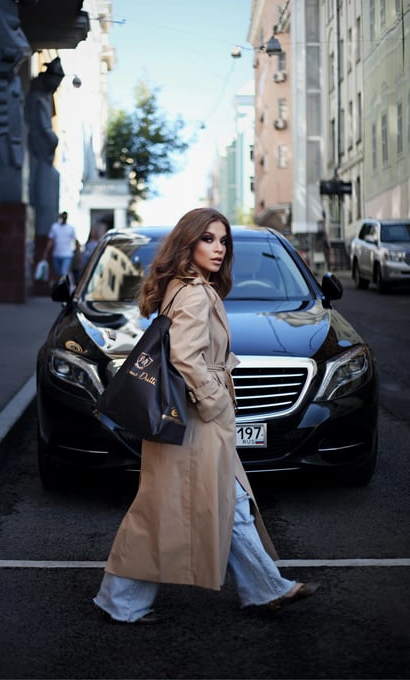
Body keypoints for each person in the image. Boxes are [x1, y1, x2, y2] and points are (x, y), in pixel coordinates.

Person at [94, 208, 320, 624]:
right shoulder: (196, 293)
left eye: (223, 241)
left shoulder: (181, 286)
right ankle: (122, 600)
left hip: (187, 414)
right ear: (189, 242)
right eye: (209, 240)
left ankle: (263, 588)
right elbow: (185, 357)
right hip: (197, 416)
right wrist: (215, 400)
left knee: (218, 500)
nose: (219, 249)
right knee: (172, 506)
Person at [43, 211, 77, 279]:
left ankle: (63, 287)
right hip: (56, 254)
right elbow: (51, 241)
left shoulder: (70, 228)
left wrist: (77, 252)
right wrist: (46, 252)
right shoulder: (55, 227)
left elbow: (74, 240)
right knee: (58, 274)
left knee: (63, 272)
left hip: (67, 254)